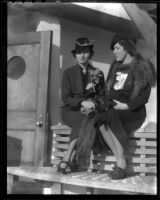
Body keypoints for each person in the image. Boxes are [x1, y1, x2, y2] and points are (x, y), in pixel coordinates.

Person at [93, 34, 154, 180]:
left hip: (133, 111)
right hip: (114, 108)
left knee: (113, 115)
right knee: (99, 119)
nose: (114, 51)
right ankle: (121, 159)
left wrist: (126, 106)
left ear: (127, 48)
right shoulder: (115, 66)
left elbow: (144, 97)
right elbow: (108, 92)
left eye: (117, 48)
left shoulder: (142, 66)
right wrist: (98, 86)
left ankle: (120, 164)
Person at [58, 37, 105, 174]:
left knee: (89, 117)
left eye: (85, 52)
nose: (82, 55)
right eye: (79, 52)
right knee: (83, 118)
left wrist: (93, 103)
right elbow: (65, 98)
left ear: (90, 54)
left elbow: (103, 96)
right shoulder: (68, 72)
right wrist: (81, 102)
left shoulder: (98, 73)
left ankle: (69, 159)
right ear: (75, 54)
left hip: (90, 110)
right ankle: (69, 157)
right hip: (70, 111)